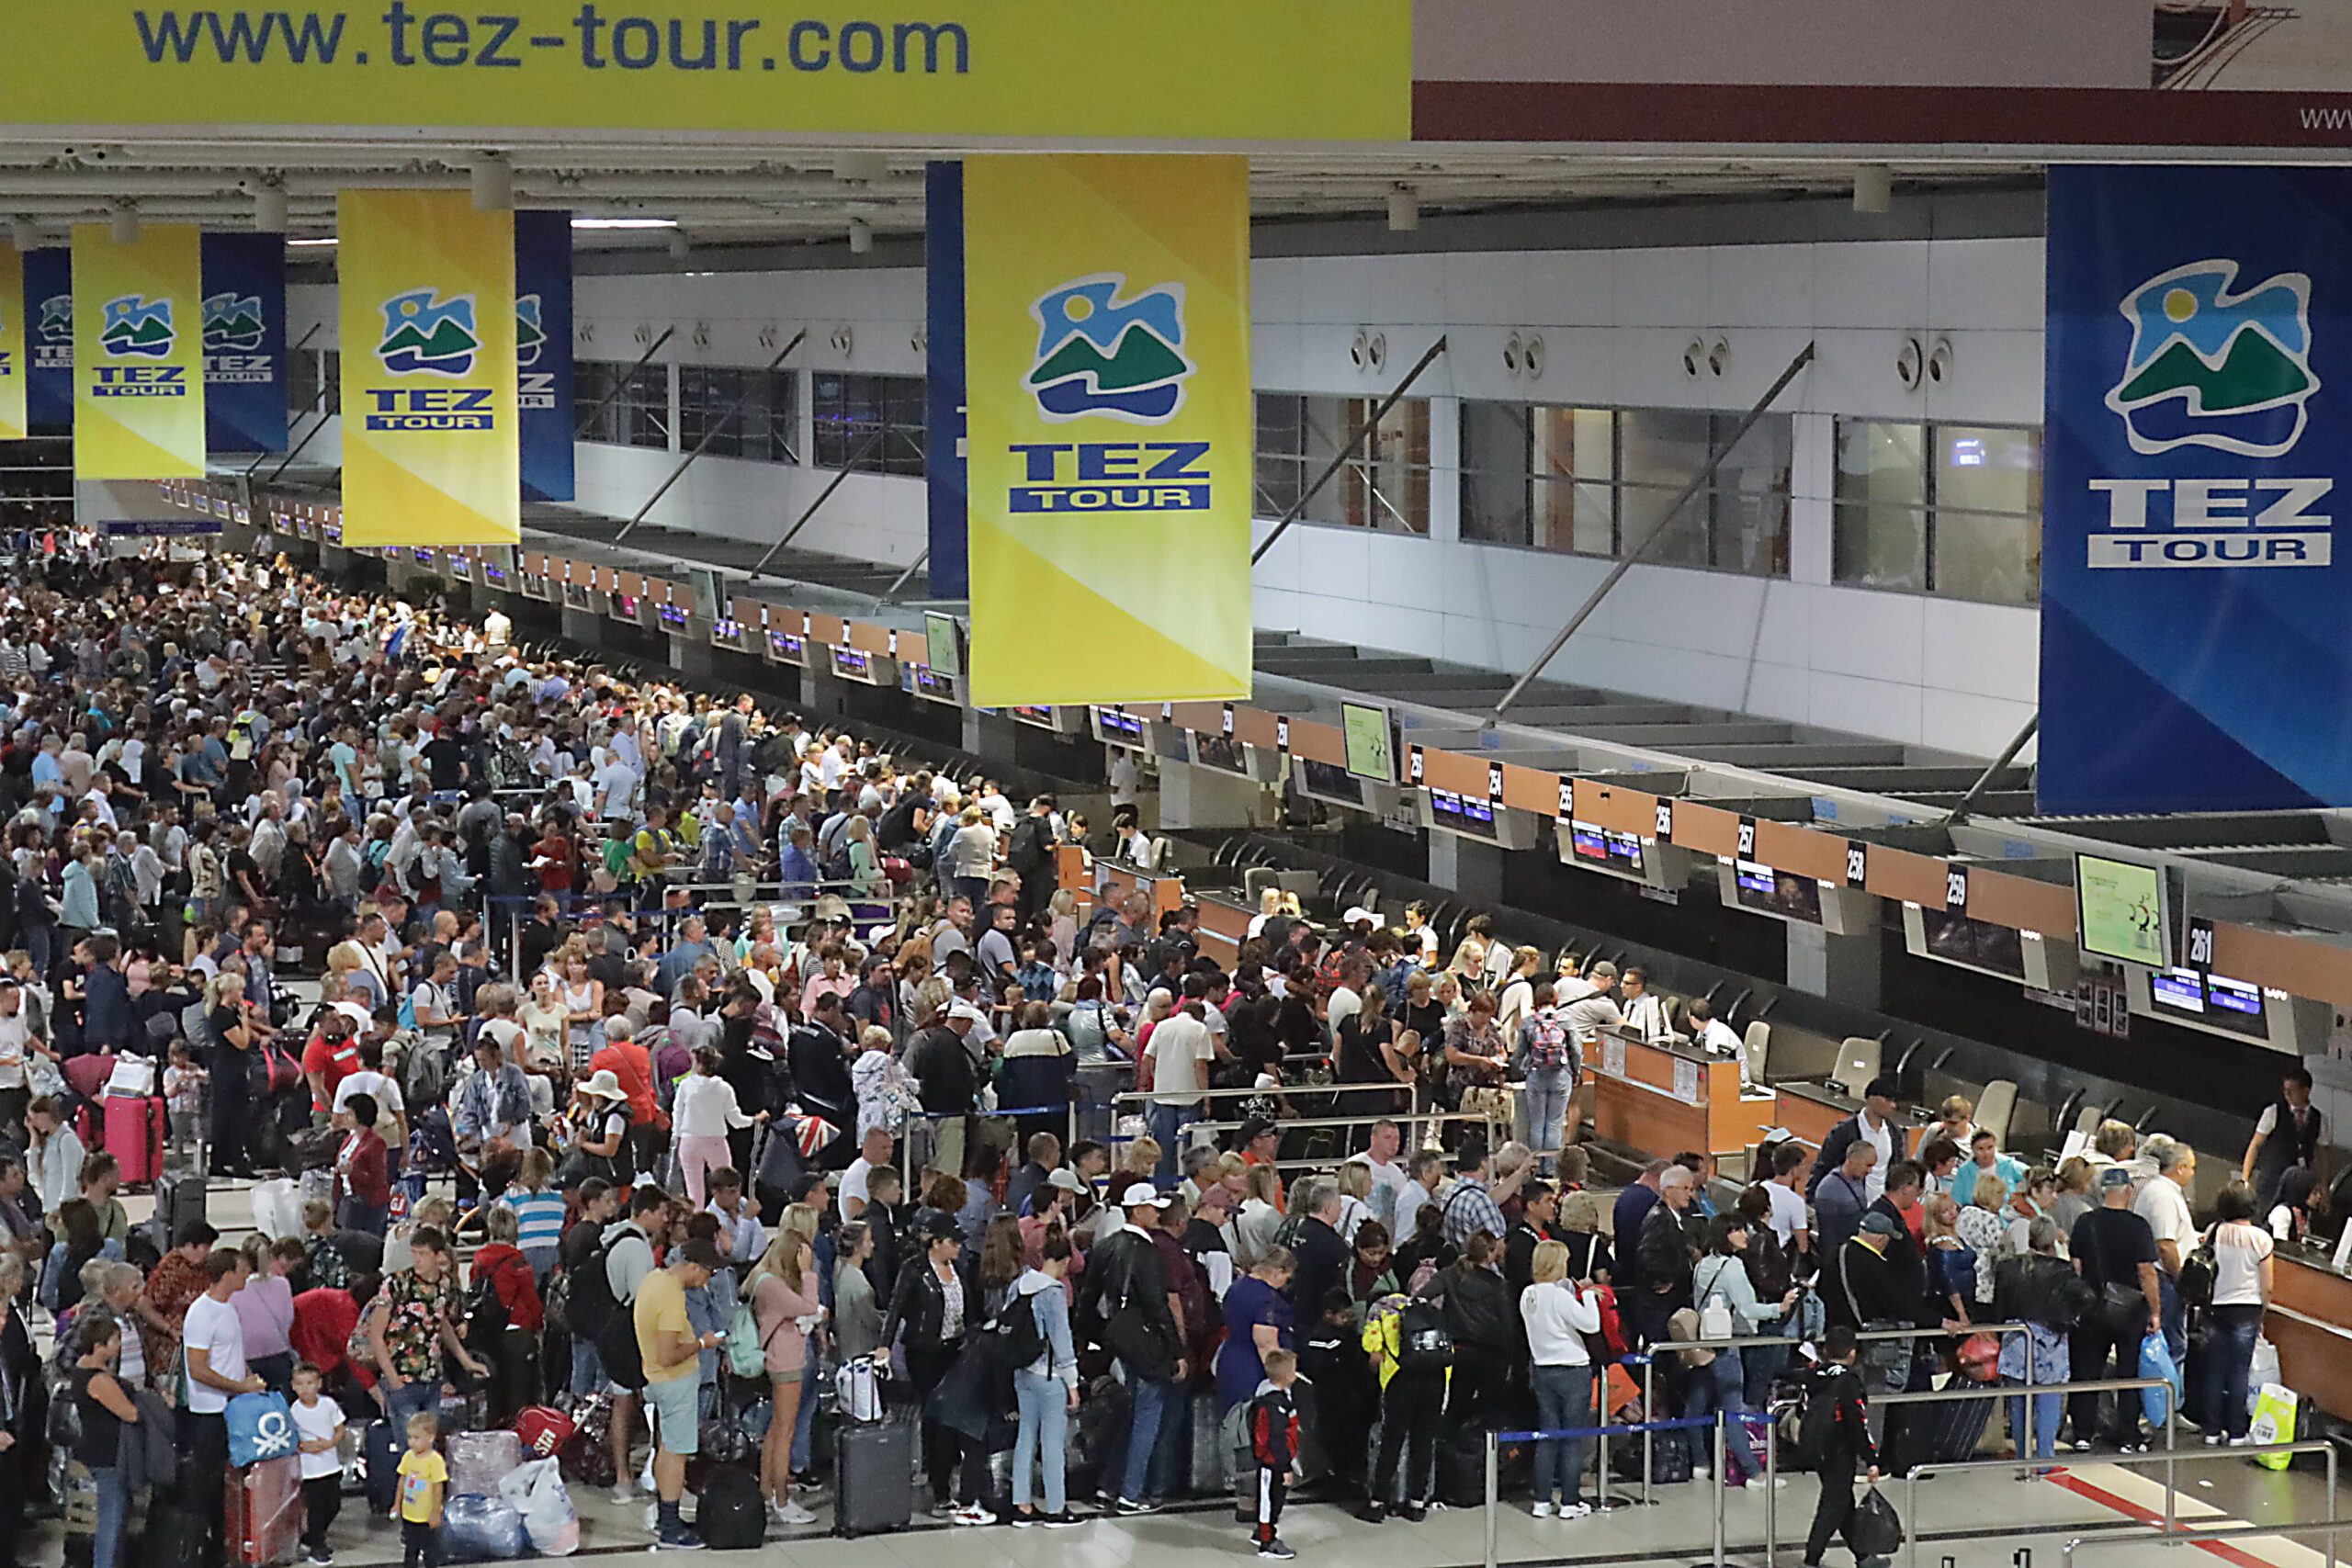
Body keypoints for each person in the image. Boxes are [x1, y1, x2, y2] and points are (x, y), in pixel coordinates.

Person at [1077, 1183, 1188, 1515]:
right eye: (1153, 1208)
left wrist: (1097, 1336)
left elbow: (1087, 1300)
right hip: (1145, 1344)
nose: (1158, 1213)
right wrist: (1177, 1350)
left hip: (1116, 1342)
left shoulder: (1106, 1246)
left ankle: (1108, 1485)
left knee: (1131, 1411)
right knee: (1148, 1413)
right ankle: (1131, 1491)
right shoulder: (1147, 1251)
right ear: (1138, 1211)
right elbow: (1157, 1306)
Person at [877, 1211, 985, 1519]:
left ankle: (945, 1473)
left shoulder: (959, 1269)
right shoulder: (914, 1270)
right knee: (937, 1417)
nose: (959, 1249)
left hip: (956, 1351)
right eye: (953, 1243)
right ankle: (939, 1489)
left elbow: (969, 1310)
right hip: (925, 1353)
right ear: (936, 1243)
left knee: (951, 1418)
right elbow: (896, 1308)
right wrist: (885, 1344)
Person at [637, 1234, 726, 1550]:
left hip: (655, 1380)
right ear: (692, 1266)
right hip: (674, 1382)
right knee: (676, 1454)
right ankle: (671, 1529)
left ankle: (666, 1516)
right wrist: (703, 1344)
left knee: (665, 1448)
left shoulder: (653, 1280)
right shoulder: (672, 1297)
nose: (705, 1283)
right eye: (707, 1274)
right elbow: (668, 1354)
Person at [2068, 1167, 2162, 1453]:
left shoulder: (2086, 1223)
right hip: (2130, 1310)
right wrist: (2156, 1311)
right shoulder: (2138, 1226)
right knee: (2128, 1374)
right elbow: (2146, 1272)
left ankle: (2083, 1433)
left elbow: (2077, 1265)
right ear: (2128, 1191)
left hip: (2093, 1308)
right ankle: (2128, 1436)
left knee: (2086, 1372)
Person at [185, 1247, 267, 1566]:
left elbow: (232, 1355)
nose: (247, 1275)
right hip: (211, 1411)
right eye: (243, 1270)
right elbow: (198, 1368)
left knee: (233, 1478)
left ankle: (230, 1538)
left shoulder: (228, 1309)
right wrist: (239, 1387)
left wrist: (248, 1378)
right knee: (210, 1481)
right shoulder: (202, 1313)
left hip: (234, 1407)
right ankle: (208, 1544)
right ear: (227, 1273)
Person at [746, 1223, 823, 1527]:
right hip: (786, 1361)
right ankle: (781, 1498)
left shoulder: (764, 1279)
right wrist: (808, 1273)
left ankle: (767, 1490)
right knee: (785, 1430)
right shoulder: (772, 1284)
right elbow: (807, 1307)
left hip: (782, 1357)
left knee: (777, 1428)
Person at [1521, 1238, 1600, 1521]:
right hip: (1572, 1370)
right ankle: (1570, 1500)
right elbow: (1591, 1324)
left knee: (1548, 1435)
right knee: (1572, 1438)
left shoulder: (1528, 1295)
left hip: (1543, 1370)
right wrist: (1589, 1295)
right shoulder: (1559, 1296)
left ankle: (1541, 1500)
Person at [1991, 1215, 2076, 1472]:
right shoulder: (2062, 1270)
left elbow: (1998, 1306)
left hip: (2015, 1336)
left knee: (2018, 1403)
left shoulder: (2007, 1267)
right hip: (2050, 1341)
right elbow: (2077, 1301)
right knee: (2048, 1401)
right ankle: (2045, 1458)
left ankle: (2022, 1455)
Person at [1008, 1231, 1081, 1529]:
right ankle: (1055, 1507)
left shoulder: (1019, 1285)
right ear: (1064, 1261)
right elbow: (1061, 1343)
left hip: (1021, 1372)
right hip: (1049, 1376)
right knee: (1051, 1442)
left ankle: (1022, 1505)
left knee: (1025, 1437)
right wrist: (1073, 1384)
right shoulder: (1053, 1293)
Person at [1359, 1287, 1443, 1524]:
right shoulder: (1425, 1306)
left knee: (1391, 1442)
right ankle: (1417, 1503)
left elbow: (1371, 1348)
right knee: (1424, 1442)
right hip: (1435, 1378)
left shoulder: (1380, 1309)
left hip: (1402, 1379)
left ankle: (1378, 1503)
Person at [1801, 1326, 1882, 1568]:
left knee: (1842, 1502)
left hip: (1816, 1445)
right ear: (1852, 1353)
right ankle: (1812, 1558)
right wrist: (1871, 1459)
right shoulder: (1849, 1382)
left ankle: (1863, 1556)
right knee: (1832, 1505)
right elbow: (1857, 1423)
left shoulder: (1815, 1375)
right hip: (1839, 1448)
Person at [2199, 1181, 2273, 1446]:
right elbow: (2268, 1284)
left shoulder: (2214, 1231)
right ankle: (2237, 1433)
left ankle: (2211, 1430)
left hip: (2216, 1306)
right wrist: (2263, 1312)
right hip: (2248, 1308)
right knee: (2239, 1372)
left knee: (2215, 1371)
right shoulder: (2261, 1239)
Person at [71, 1311, 140, 1568]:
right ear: (100, 1346)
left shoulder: (83, 1369)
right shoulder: (98, 1380)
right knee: (111, 1517)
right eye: (115, 1340)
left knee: (113, 1514)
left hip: (99, 1450)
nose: (119, 1345)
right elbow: (129, 1414)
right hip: (108, 1454)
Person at [1216, 1246, 1297, 1414]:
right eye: (1286, 1278)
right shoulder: (1267, 1300)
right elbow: (1266, 1345)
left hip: (1230, 1359)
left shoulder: (1237, 1286)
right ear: (1278, 1272)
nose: (1284, 1284)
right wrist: (1281, 1382)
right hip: (1253, 1370)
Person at [1246, 1347, 1304, 1560]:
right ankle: (1267, 1542)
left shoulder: (1278, 1398)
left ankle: (1263, 1531)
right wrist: (1285, 1467)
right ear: (1288, 1376)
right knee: (1269, 1502)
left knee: (1275, 1500)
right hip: (1272, 1463)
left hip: (1277, 1461)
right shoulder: (1273, 1406)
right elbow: (1276, 1440)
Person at [290, 1359, 349, 1568]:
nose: (306, 1388)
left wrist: (330, 1442)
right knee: (315, 1509)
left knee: (333, 1505)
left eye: (309, 1383)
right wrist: (304, 1446)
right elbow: (290, 1439)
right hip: (309, 1469)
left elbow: (340, 1429)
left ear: (319, 1384)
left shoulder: (328, 1405)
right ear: (294, 1386)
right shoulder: (294, 1411)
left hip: (330, 1464)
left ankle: (311, 1538)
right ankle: (318, 1546)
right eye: (301, 1384)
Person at [1810, 1077, 1904, 1207]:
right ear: (1871, 1098)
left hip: (1881, 1206)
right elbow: (1825, 1165)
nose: (1893, 1106)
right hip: (1849, 1204)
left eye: (1894, 1101)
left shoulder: (1894, 1133)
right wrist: (1812, 1200)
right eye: (1887, 1100)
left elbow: (1896, 1169)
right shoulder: (1845, 1131)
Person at [396, 1410, 447, 1568]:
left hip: (426, 1517)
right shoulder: (408, 1457)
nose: (412, 1442)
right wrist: (397, 1504)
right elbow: (402, 1480)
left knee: (430, 1552)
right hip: (409, 1515)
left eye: (416, 1438)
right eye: (410, 1437)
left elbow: (438, 1488)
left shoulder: (435, 1460)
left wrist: (435, 1512)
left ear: (430, 1437)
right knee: (410, 1550)